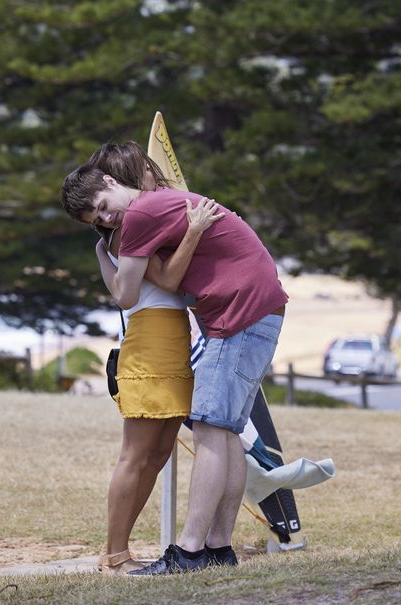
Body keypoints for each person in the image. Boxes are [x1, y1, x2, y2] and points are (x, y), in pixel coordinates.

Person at [62, 162, 288, 575]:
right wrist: (192, 234)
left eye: (102, 205)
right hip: (244, 314)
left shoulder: (143, 214)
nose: (106, 218)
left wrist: (106, 250)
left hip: (237, 316)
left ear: (113, 182)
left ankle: (189, 551)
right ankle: (215, 548)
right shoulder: (155, 211)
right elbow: (156, 283)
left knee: (209, 431)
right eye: (96, 219)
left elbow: (135, 291)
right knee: (221, 432)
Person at [82, 143, 225, 574]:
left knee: (159, 452)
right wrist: (195, 231)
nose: (153, 179)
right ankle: (114, 554)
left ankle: (119, 551)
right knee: (137, 453)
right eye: (144, 173)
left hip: (169, 338)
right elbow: (167, 278)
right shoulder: (127, 231)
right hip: (150, 342)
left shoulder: (123, 232)